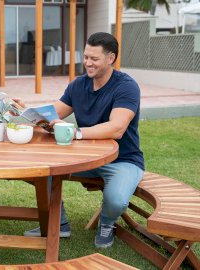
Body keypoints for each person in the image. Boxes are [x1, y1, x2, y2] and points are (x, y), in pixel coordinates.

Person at [15, 32, 144, 249]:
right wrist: (24, 111)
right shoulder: (78, 85)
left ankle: (106, 223)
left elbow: (117, 128)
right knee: (41, 168)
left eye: (94, 59)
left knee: (115, 201)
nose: (87, 63)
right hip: (83, 159)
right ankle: (58, 223)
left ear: (110, 58)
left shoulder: (126, 86)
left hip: (122, 159)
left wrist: (77, 133)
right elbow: (54, 114)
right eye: (85, 57)